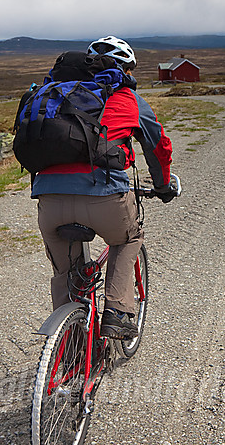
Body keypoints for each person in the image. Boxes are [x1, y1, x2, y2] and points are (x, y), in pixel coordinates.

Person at [32, 36, 175, 339]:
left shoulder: (57, 94)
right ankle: (118, 311)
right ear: (125, 69)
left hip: (49, 200)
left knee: (65, 273)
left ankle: (68, 345)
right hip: (106, 198)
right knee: (127, 238)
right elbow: (158, 146)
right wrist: (162, 186)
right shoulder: (127, 98)